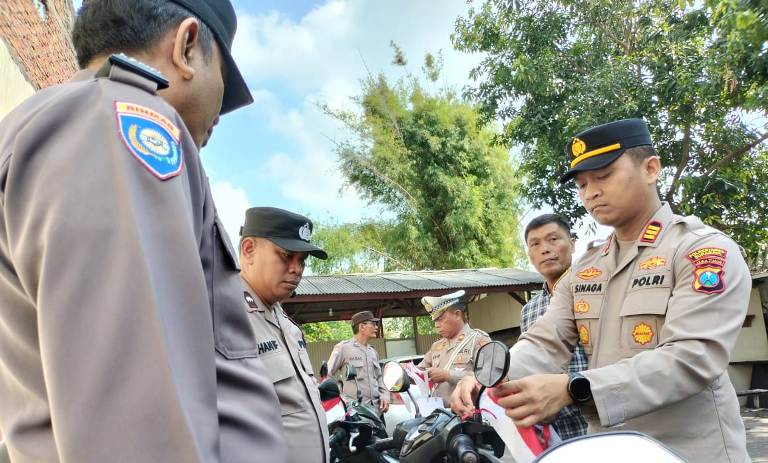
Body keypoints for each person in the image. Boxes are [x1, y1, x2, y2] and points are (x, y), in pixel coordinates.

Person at [0, 1, 288, 462]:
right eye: (224, 82)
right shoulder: (121, 124)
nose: (220, 113)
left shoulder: (62, 121)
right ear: (187, 45)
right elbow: (138, 432)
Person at [452, 119, 751, 462]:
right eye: (582, 184)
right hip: (607, 449)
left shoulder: (699, 251)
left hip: (686, 452)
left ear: (651, 169)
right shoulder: (585, 269)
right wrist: (487, 377)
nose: (590, 192)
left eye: (604, 176)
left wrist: (574, 389)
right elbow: (544, 341)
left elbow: (692, 357)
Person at [239, 207, 330, 463]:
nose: (296, 269)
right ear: (249, 249)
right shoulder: (224, 317)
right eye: (287, 255)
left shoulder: (284, 321)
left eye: (302, 260)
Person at [521, 214, 588, 440]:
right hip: (552, 434)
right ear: (530, 255)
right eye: (535, 244)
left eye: (553, 239)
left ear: (572, 243)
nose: (545, 249)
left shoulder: (597, 292)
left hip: (597, 423)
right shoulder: (529, 310)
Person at [420, 290, 491, 407]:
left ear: (457, 315)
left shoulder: (478, 339)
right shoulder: (436, 346)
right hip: (438, 413)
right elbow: (419, 371)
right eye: (435, 320)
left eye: (440, 318)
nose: (436, 325)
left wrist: (448, 375)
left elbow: (488, 377)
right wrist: (402, 371)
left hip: (467, 412)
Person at [328, 311, 390, 414]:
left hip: (377, 412)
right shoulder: (343, 348)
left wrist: (385, 396)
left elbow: (379, 378)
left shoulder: (373, 352)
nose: (376, 327)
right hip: (356, 413)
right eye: (373, 324)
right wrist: (341, 399)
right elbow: (327, 375)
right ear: (362, 327)